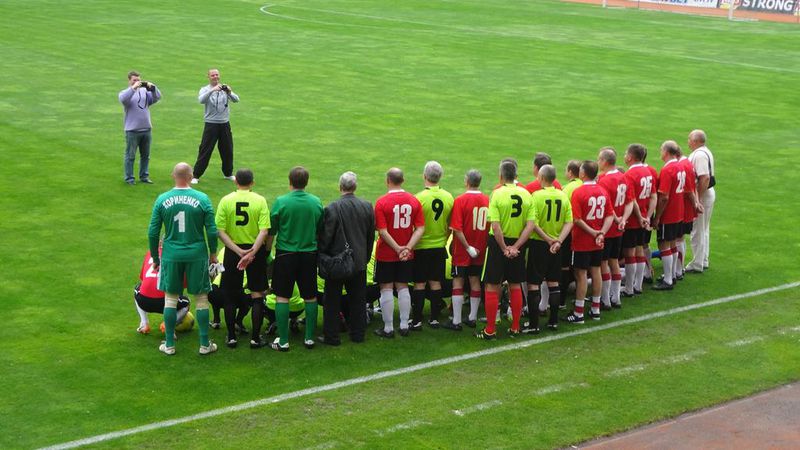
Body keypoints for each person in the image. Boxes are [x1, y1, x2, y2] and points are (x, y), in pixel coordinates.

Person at [147, 162, 218, 355]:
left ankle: (169, 344)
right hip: (196, 254)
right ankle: (205, 344)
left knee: (170, 299)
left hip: (171, 254)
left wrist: (155, 256)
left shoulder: (162, 199)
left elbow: (153, 232)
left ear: (173, 175)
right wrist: (213, 253)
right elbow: (212, 230)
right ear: (191, 176)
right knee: (202, 298)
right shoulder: (202, 198)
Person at [476, 159, 535, 340]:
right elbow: (530, 225)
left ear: (501, 176)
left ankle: (491, 330)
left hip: (498, 245)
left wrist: (504, 248)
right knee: (516, 284)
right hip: (518, 243)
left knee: (492, 285)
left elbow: (495, 226)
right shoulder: (526, 195)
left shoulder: (497, 194)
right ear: (516, 175)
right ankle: (515, 327)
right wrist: (515, 247)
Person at [215, 168, 272, 348]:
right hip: (256, 252)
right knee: (257, 294)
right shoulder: (260, 200)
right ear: (252, 183)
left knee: (230, 296)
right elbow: (264, 230)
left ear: (235, 182)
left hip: (233, 251)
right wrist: (253, 252)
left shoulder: (226, 200)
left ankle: (231, 336)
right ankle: (255, 338)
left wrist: (238, 251)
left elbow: (219, 231)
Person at [268, 166, 324, 351]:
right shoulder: (315, 202)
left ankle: (283, 341)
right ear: (306, 182)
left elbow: (272, 230)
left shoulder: (281, 202)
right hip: (309, 254)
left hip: (286, 254)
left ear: (289, 181)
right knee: (310, 296)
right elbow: (320, 228)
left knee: (282, 297)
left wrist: (267, 251)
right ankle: (309, 338)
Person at [317, 171, 375, 345]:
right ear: (355, 187)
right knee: (358, 300)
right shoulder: (366, 206)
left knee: (332, 301)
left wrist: (323, 255)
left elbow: (326, 237)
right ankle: (358, 335)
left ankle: (331, 336)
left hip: (337, 262)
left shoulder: (332, 207)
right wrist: (364, 257)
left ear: (340, 186)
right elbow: (370, 236)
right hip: (358, 261)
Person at [373, 168, 425, 338]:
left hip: (387, 252)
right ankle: (404, 325)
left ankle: (388, 328)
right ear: (403, 180)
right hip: (406, 254)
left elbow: (382, 230)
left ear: (387, 181)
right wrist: (407, 248)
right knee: (403, 286)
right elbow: (420, 228)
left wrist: (397, 248)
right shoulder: (414, 201)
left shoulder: (381, 202)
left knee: (386, 287)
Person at [524, 164, 573, 332]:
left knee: (533, 284)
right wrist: (558, 241)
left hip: (539, 244)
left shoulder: (536, 196)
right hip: (557, 247)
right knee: (553, 282)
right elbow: (569, 222)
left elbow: (533, 223)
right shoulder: (563, 196)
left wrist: (547, 239)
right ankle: (553, 322)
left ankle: (533, 325)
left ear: (541, 178)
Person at [565, 161, 613, 324]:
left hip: (582, 241)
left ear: (583, 174)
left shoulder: (578, 193)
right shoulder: (602, 191)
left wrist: (593, 233)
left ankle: (578, 313)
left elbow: (576, 219)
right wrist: (601, 233)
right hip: (598, 241)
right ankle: (595, 309)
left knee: (581, 274)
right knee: (596, 271)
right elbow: (609, 215)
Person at [411, 161, 454, 330]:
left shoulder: (418, 198)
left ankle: (417, 320)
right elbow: (451, 225)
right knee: (436, 282)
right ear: (440, 177)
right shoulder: (449, 197)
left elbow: (414, 226)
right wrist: (444, 239)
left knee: (419, 284)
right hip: (439, 246)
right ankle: (435, 319)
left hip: (421, 247)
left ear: (424, 176)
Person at [445, 169, 489, 331]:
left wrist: (467, 247)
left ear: (466, 181)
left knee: (458, 280)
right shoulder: (487, 200)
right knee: (475, 280)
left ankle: (456, 320)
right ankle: (472, 317)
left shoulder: (460, 200)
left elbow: (457, 228)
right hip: (480, 249)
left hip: (463, 250)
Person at [597, 147, 635, 309]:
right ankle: (616, 298)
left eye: (599, 159)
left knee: (604, 263)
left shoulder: (604, 180)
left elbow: (606, 205)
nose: (598, 162)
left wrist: (617, 218)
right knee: (614, 262)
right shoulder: (623, 177)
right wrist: (623, 220)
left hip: (606, 228)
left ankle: (605, 299)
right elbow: (630, 202)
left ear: (605, 162)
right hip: (619, 228)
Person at [191, 69, 239, 184]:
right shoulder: (205, 89)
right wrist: (212, 90)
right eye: (213, 75)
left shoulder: (224, 88)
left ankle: (228, 173)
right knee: (205, 149)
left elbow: (236, 100)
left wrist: (229, 92)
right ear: (208, 77)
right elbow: (201, 100)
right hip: (211, 124)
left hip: (224, 123)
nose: (215, 77)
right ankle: (196, 175)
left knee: (227, 149)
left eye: (217, 75)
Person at [621, 144, 657, 297]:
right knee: (640, 250)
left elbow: (631, 199)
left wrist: (640, 217)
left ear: (630, 157)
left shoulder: (629, 175)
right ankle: (638, 285)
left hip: (633, 220)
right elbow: (654, 197)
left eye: (625, 153)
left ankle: (629, 288)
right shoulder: (648, 171)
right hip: (644, 218)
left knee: (630, 253)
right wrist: (648, 216)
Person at [652, 141, 688, 291]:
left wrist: (658, 216)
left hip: (669, 213)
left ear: (666, 152)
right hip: (679, 212)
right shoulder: (681, 166)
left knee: (664, 245)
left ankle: (668, 280)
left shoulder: (668, 170)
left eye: (661, 150)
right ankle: (672, 275)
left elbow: (664, 197)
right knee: (673, 244)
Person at [119, 71, 161, 185]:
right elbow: (123, 99)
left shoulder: (144, 92)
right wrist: (133, 88)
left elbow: (157, 97)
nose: (137, 82)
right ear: (129, 81)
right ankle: (129, 178)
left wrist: (153, 88)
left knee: (145, 156)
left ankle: (144, 176)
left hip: (146, 129)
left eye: (138, 80)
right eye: (134, 80)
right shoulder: (125, 93)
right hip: (132, 130)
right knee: (130, 156)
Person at [133, 248, 189, 334]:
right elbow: (182, 285)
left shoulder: (150, 252)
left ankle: (144, 324)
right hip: (166, 302)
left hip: (144, 301)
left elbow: (143, 278)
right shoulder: (176, 254)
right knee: (186, 303)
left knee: (137, 289)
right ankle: (168, 325)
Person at [686, 129, 716, 273]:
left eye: (690, 139)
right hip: (707, 193)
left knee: (697, 230)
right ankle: (703, 260)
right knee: (703, 229)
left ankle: (697, 264)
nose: (688, 142)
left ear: (696, 141)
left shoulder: (699, 155)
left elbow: (704, 178)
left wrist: (697, 198)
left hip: (703, 195)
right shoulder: (705, 151)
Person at [559, 160, 583, 305]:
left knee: (565, 265)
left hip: (571, 231)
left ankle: (561, 300)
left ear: (570, 172)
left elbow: (563, 212)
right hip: (587, 232)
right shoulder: (584, 185)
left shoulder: (567, 188)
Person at [675, 148, 699, 281]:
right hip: (686, 208)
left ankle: (679, 270)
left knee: (678, 238)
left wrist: (696, 203)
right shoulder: (687, 163)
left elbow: (689, 189)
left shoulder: (682, 165)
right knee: (680, 238)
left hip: (683, 209)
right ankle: (679, 269)